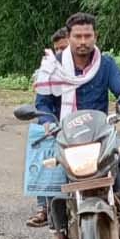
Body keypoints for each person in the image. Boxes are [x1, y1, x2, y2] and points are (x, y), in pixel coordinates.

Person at [31, 12, 120, 238]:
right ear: (69, 37)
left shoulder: (105, 64)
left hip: (99, 133)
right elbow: (43, 102)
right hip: (65, 134)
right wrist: (46, 122)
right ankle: (58, 229)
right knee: (50, 165)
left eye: (88, 36)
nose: (83, 41)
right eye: (78, 36)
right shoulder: (52, 65)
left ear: (96, 37)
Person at [27, 26, 72, 228]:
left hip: (83, 125)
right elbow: (41, 102)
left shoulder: (90, 68)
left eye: (64, 48)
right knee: (43, 152)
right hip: (54, 124)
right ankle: (44, 208)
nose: (61, 53)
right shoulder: (50, 70)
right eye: (58, 49)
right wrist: (47, 122)